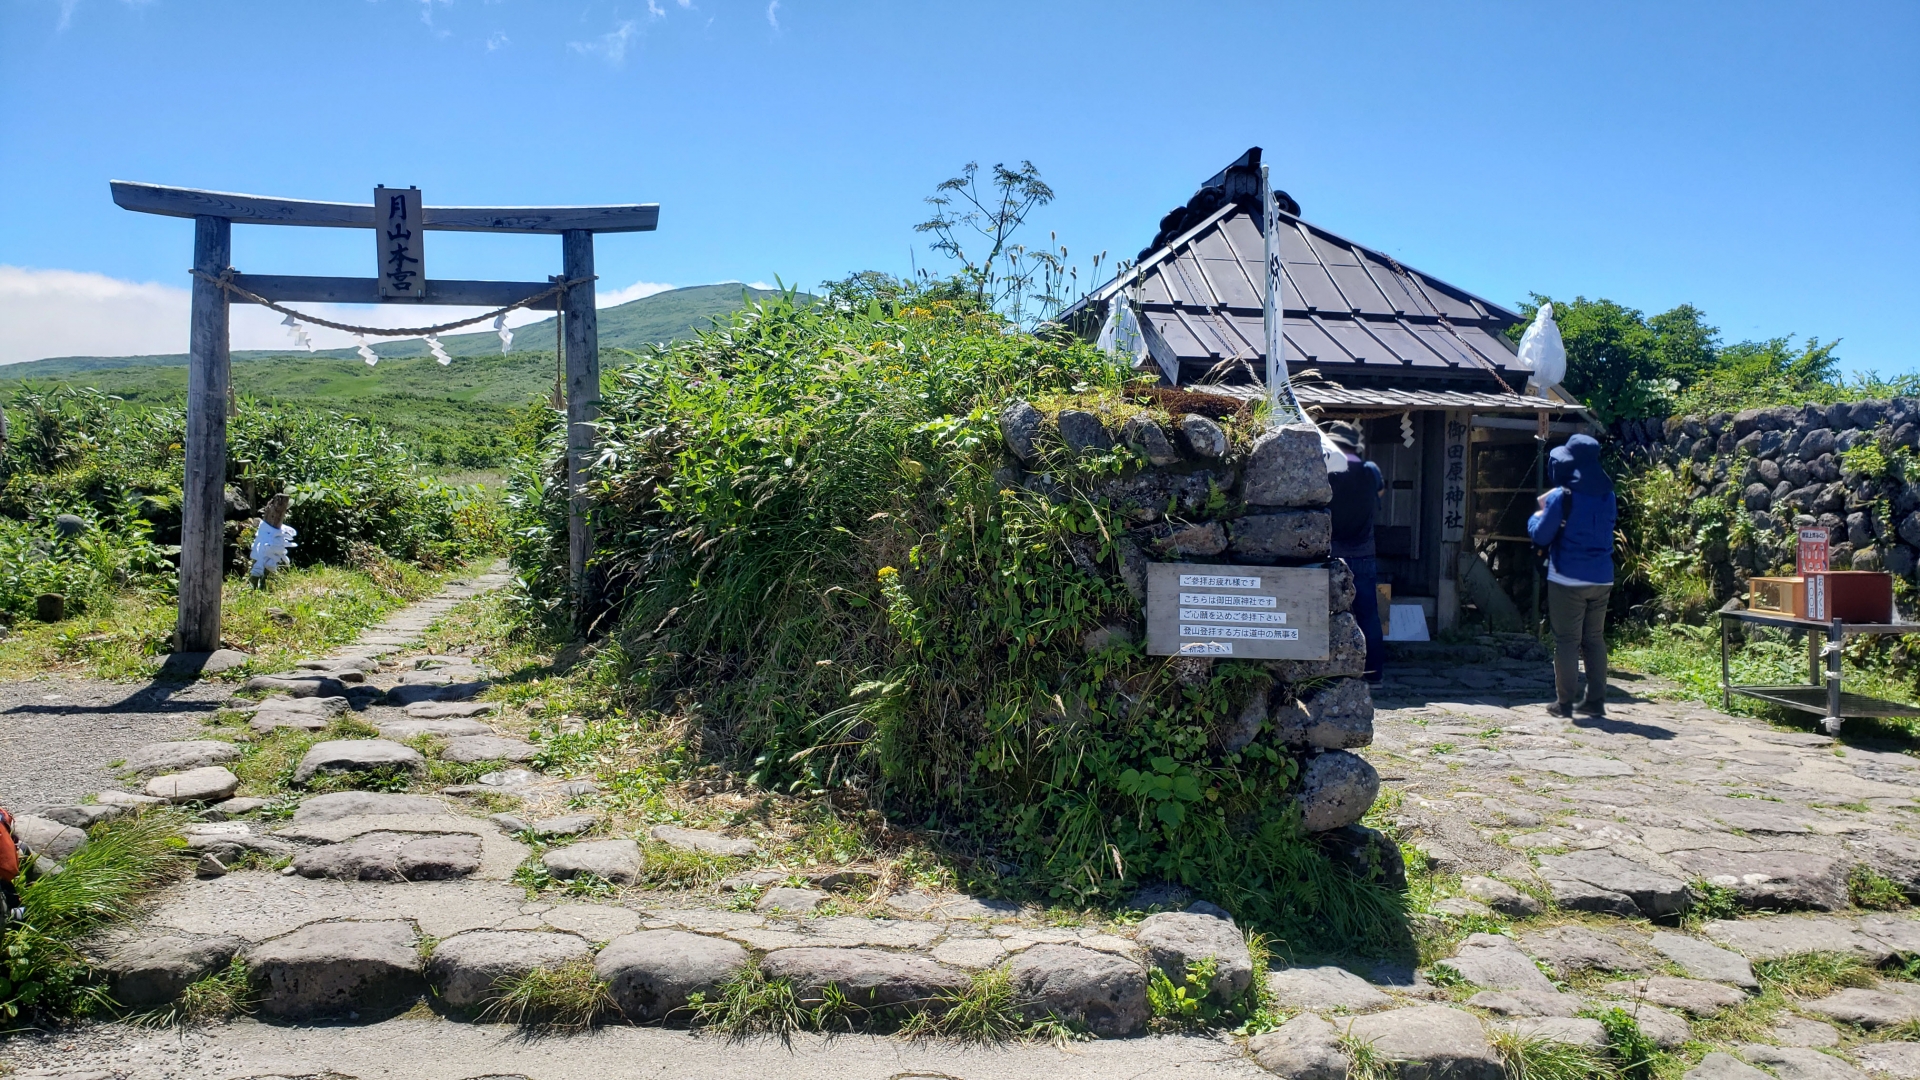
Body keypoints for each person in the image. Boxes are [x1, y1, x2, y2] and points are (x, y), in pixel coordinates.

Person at [1527, 434, 1617, 718]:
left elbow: (1541, 534)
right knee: (1594, 638)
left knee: (1567, 640)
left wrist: (1536, 515)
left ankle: (1564, 704)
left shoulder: (1561, 495)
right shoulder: (1608, 493)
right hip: (1602, 576)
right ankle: (1595, 701)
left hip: (1567, 577)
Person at [1325, 421, 1385, 683]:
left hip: (1330, 553)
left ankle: (1331, 671)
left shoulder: (1327, 469)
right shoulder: (1370, 471)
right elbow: (1380, 492)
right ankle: (1373, 673)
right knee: (1368, 615)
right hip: (1364, 554)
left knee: (1327, 614)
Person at [249, 493, 297, 588]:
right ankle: (254, 581)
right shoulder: (266, 524)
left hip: (273, 534)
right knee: (261, 554)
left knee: (269, 557)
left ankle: (264, 580)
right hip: (267, 532)